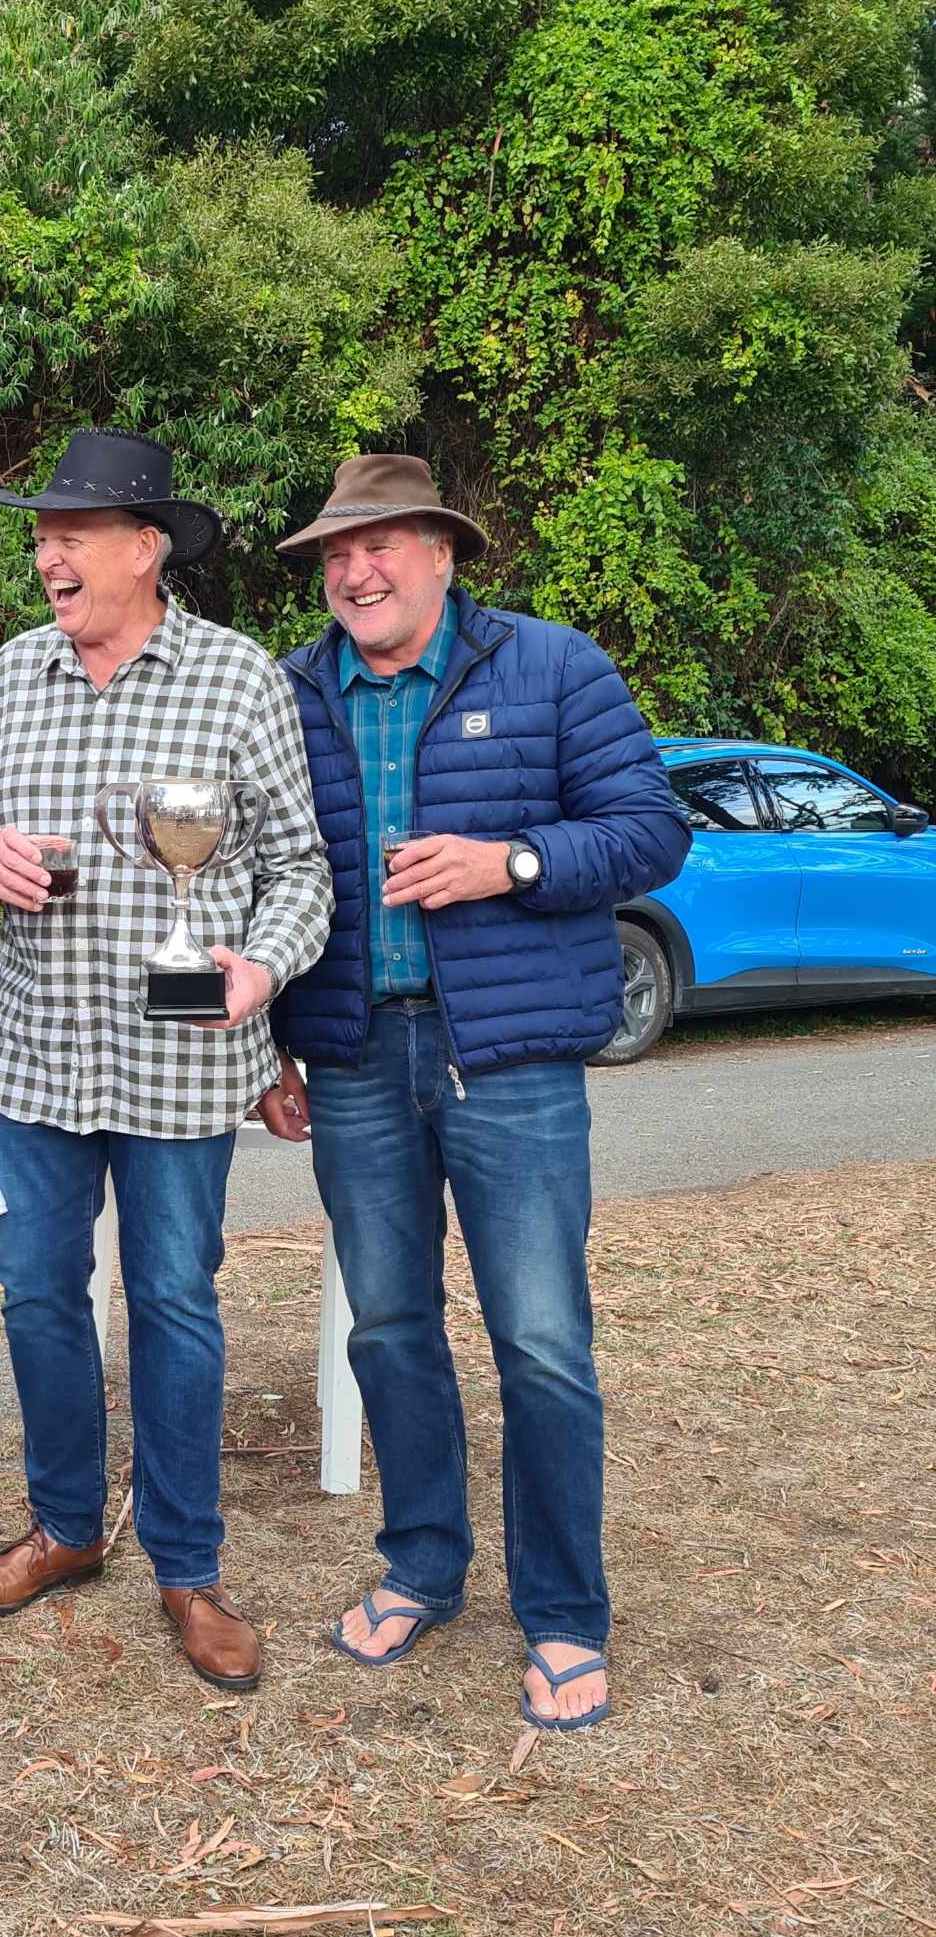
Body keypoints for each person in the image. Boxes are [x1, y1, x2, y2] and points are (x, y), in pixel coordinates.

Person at [258, 453, 689, 1730]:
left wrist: (509, 861)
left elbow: (649, 829)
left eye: (381, 544)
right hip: (350, 1056)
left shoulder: (549, 666)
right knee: (387, 1325)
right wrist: (268, 1040)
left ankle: (560, 1612)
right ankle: (421, 1563)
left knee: (540, 1340)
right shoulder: (287, 691)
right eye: (336, 553)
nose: (355, 571)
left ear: (442, 553)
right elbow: (260, 876)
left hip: (505, 1057)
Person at [0, 429, 332, 1691]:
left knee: (171, 1301)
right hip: (36, 1054)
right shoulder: (13, 672)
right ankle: (62, 1526)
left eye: (71, 534)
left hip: (179, 1053)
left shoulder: (236, 677)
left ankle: (186, 1565)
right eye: (40, 536)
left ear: (145, 548)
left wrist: (257, 969)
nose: (46, 555)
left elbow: (300, 866)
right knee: (34, 1293)